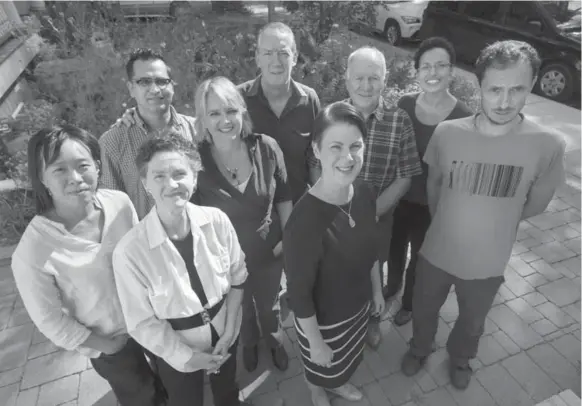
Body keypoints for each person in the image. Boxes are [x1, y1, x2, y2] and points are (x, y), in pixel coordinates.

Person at [401, 40, 566, 390]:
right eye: (494, 90)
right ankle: (420, 347)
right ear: (481, 87)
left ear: (533, 84)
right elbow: (434, 187)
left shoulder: (548, 145)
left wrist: (497, 219)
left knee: (473, 321)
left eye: (516, 89)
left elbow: (536, 204)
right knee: (423, 307)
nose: (504, 102)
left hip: (488, 264)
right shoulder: (447, 134)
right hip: (436, 253)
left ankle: (460, 359)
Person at [11, 125, 162, 406]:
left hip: (151, 319)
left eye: (83, 165)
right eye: (59, 170)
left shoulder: (119, 203)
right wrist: (108, 346)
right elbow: (50, 320)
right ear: (41, 178)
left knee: (167, 378)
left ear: (97, 165)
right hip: (111, 343)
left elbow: (143, 255)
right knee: (142, 396)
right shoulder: (34, 250)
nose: (76, 178)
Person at [112, 134, 250, 406]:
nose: (172, 184)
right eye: (159, 176)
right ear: (145, 183)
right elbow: (141, 323)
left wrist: (232, 327)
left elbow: (238, 276)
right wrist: (188, 357)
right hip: (176, 349)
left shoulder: (218, 221)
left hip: (226, 331)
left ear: (195, 178)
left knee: (228, 391)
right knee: (186, 400)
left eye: (180, 173)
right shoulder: (130, 252)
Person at [318, 46, 422, 349]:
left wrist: (371, 211)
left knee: (374, 267)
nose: (366, 85)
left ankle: (372, 320)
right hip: (334, 213)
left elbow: (405, 174)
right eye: (359, 78)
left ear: (385, 80)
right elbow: (315, 164)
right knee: (336, 268)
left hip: (379, 216)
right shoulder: (330, 116)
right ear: (347, 80)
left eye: (374, 78)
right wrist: (333, 202)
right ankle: (338, 320)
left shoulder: (398, 120)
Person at [284, 102, 386, 406]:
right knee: (321, 363)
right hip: (324, 322)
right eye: (335, 147)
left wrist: (377, 290)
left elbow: (371, 249)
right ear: (316, 149)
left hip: (357, 309)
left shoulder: (366, 192)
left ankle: (337, 384)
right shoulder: (303, 224)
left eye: (356, 146)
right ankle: (316, 387)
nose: (348, 157)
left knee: (342, 363)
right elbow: (299, 296)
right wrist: (315, 343)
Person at [191, 77, 293, 372]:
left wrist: (287, 240)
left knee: (269, 305)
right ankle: (248, 343)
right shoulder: (194, 163)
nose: (225, 120)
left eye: (231, 111)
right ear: (203, 120)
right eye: (214, 113)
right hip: (227, 261)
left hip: (269, 251)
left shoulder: (266, 148)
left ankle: (274, 341)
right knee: (242, 309)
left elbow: (284, 197)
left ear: (242, 113)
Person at [387, 37, 473, 326]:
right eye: (426, 66)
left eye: (440, 66)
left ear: (451, 71)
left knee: (420, 260)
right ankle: (392, 287)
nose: (433, 73)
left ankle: (409, 303)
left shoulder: (463, 117)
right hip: (398, 198)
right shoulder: (405, 105)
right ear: (417, 72)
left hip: (432, 207)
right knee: (394, 249)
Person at [100, 48, 196, 220]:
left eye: (161, 81)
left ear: (172, 85)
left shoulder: (197, 131)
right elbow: (112, 210)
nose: (155, 89)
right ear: (131, 88)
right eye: (144, 82)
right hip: (143, 243)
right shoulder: (113, 142)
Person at [238, 22, 321, 203]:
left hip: (299, 208)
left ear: (295, 57)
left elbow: (315, 158)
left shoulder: (309, 100)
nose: (276, 61)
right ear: (258, 58)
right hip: (254, 213)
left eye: (283, 53)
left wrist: (317, 205)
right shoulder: (237, 99)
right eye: (268, 53)